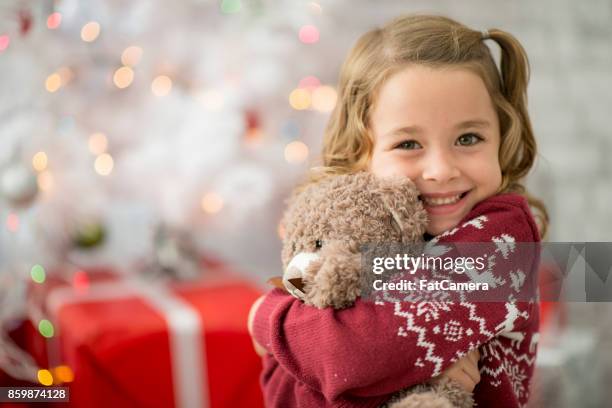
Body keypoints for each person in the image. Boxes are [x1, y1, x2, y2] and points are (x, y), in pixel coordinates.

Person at [248, 14, 548, 408]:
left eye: (468, 138)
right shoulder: (346, 223)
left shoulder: (502, 245)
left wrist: (265, 318)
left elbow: (351, 355)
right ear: (361, 149)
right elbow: (284, 371)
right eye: (408, 144)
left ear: (502, 136)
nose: (441, 170)